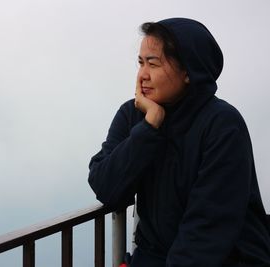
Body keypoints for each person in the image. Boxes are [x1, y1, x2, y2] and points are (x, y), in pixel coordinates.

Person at [88, 18, 270, 266]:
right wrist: (149, 127)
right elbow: (106, 187)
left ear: (188, 71)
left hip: (225, 259)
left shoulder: (223, 125)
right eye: (140, 63)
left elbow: (207, 229)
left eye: (153, 64)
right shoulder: (134, 115)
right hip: (153, 257)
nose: (142, 75)